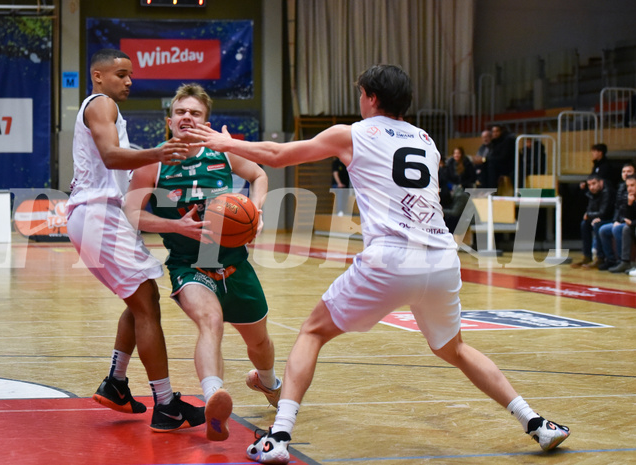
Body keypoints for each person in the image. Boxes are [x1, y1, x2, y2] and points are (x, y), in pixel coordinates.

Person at [188, 64, 570, 463]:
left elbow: (278, 156)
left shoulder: (353, 133)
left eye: (360, 93)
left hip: (391, 256)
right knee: (455, 349)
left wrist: (224, 143)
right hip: (441, 258)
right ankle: (537, 422)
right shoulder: (427, 140)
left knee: (313, 332)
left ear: (370, 97)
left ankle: (278, 437)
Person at [124, 83, 281, 442]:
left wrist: (255, 210)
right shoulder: (153, 161)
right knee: (210, 321)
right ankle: (214, 399)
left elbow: (259, 174)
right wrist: (174, 225)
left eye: (195, 113)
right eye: (181, 112)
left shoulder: (222, 153)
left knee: (259, 343)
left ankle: (268, 382)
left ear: (206, 122)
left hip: (233, 263)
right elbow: (131, 213)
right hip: (189, 266)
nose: (187, 118)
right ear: (170, 121)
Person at [65, 49, 205, 432]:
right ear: (97, 76)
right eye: (121, 74)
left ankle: (117, 383)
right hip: (97, 213)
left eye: (130, 75)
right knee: (146, 306)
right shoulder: (101, 103)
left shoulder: (104, 106)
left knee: (141, 298)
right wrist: (156, 153)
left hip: (97, 215)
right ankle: (166, 405)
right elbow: (110, 156)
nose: (128, 81)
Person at [570, 174, 614, 269]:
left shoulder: (608, 191)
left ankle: (600, 257)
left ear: (601, 182)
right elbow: (589, 209)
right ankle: (587, 256)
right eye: (589, 185)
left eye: (594, 184)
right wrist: (591, 216)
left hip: (610, 218)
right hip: (599, 217)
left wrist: (591, 215)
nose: (591, 187)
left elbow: (604, 212)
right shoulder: (592, 193)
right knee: (584, 224)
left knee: (597, 225)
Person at [599, 164, 636, 273]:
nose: (629, 188)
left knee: (624, 229)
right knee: (603, 229)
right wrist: (629, 204)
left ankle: (624, 260)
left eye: (632, 185)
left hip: (631, 224)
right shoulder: (623, 190)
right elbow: (620, 210)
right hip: (625, 222)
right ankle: (617, 261)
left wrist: (631, 222)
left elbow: (630, 219)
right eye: (628, 186)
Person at [486, 124, 516, 191]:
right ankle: (483, 189)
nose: (495, 133)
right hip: (500, 165)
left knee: (491, 165)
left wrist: (486, 159)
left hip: (509, 166)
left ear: (501, 131)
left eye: (497, 131)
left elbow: (503, 157)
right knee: (483, 165)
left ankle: (491, 190)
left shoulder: (508, 141)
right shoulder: (494, 142)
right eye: (493, 132)